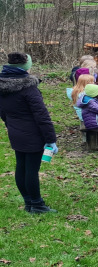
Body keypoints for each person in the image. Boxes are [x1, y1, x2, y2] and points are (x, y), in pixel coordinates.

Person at [0, 51, 58, 214]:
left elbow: (2, 111)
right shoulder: (29, 87)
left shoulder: (2, 85)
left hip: (15, 131)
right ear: (26, 66)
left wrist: (10, 124)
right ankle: (37, 204)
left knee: (21, 166)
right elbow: (41, 115)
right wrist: (50, 139)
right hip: (32, 133)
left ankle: (28, 202)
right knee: (31, 169)